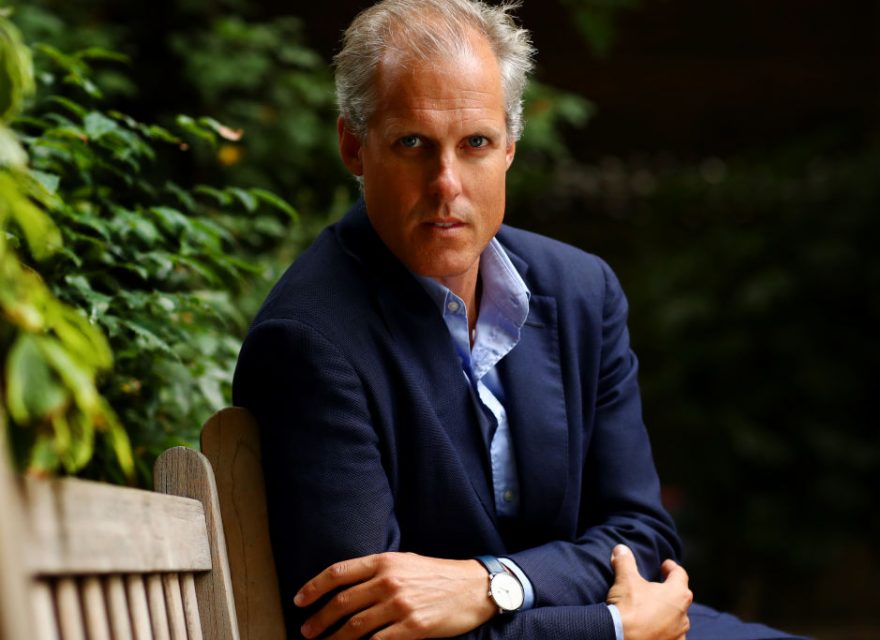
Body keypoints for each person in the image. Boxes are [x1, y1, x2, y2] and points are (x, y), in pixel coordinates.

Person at [233, 1, 804, 639]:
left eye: (474, 143)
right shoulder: (309, 343)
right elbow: (365, 630)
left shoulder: (582, 290)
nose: (446, 183)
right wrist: (609, 629)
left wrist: (493, 583)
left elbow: (640, 537)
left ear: (509, 146)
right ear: (354, 148)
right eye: (413, 144)